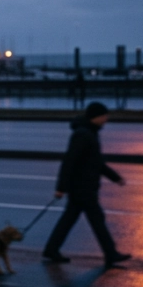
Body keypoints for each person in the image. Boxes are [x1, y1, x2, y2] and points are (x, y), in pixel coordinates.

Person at [43, 101, 131, 267]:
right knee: (97, 220)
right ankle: (110, 254)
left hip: (84, 187)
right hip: (82, 188)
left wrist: (115, 177)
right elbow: (69, 161)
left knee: (69, 220)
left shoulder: (90, 133)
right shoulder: (83, 135)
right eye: (104, 116)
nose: (106, 119)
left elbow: (96, 162)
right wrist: (61, 188)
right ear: (96, 117)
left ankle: (51, 249)